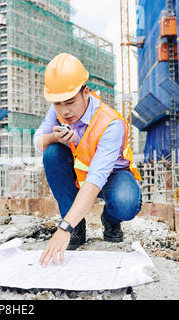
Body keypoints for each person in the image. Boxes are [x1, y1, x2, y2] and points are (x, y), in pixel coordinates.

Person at [34, 53, 143, 268]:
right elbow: (37, 141)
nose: (65, 110)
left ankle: (110, 220)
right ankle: (77, 227)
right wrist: (57, 138)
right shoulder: (57, 110)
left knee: (126, 203)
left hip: (112, 175)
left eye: (70, 102)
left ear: (85, 92)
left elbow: (96, 178)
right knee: (52, 153)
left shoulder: (110, 123)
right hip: (80, 172)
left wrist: (63, 228)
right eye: (58, 103)